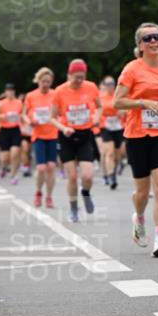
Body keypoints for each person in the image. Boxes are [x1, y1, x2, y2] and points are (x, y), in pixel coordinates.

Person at [113, 22, 158, 258]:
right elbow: (118, 102)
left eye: (157, 37)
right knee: (142, 193)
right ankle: (139, 217)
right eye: (148, 38)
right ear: (140, 45)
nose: (153, 41)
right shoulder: (132, 69)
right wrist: (143, 103)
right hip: (137, 135)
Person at [51, 59, 102, 222]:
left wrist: (96, 117)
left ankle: (86, 193)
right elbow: (52, 118)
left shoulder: (91, 87)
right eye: (76, 77)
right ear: (69, 74)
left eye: (82, 77)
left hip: (85, 135)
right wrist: (63, 128)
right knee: (72, 177)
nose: (79, 80)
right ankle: (73, 208)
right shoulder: (59, 91)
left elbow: (100, 107)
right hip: (67, 137)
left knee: (87, 176)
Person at [22, 67, 58, 208]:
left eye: (48, 82)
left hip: (52, 134)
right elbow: (24, 114)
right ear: (38, 81)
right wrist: (29, 121)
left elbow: (60, 111)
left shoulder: (55, 94)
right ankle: (38, 192)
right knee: (41, 168)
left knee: (51, 166)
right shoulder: (31, 96)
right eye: (43, 81)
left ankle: (49, 196)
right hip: (38, 135)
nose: (46, 84)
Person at [0, 84, 23, 184]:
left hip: (15, 129)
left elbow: (23, 114)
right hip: (4, 130)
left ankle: (13, 175)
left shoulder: (19, 102)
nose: (10, 92)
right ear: (5, 92)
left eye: (12, 90)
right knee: (5, 156)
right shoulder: (1, 103)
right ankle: (3, 167)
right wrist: (3, 116)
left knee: (15, 153)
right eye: (8, 91)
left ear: (14, 92)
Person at [98, 76, 125, 189]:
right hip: (106, 127)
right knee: (109, 152)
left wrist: (122, 111)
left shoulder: (119, 95)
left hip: (118, 127)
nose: (110, 86)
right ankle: (110, 176)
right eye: (107, 84)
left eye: (112, 83)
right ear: (104, 85)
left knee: (118, 154)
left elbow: (127, 108)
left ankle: (114, 172)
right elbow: (97, 110)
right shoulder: (100, 97)